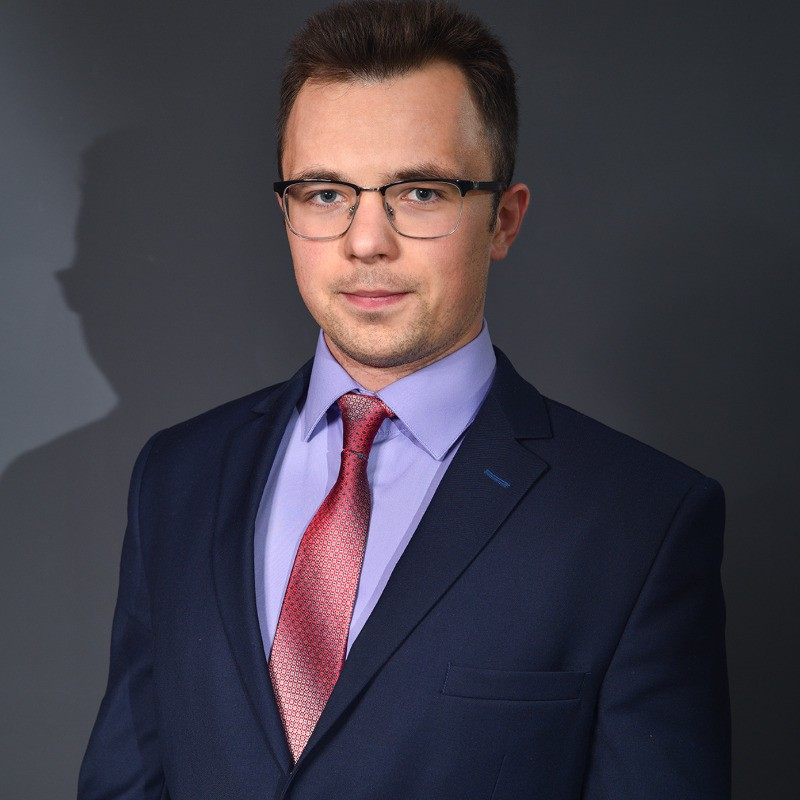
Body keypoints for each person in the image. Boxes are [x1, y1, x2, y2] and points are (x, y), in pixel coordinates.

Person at [78, 1, 730, 797]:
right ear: (285, 212)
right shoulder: (176, 476)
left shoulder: (640, 521)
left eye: (420, 192)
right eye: (325, 193)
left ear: (503, 221)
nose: (365, 241)